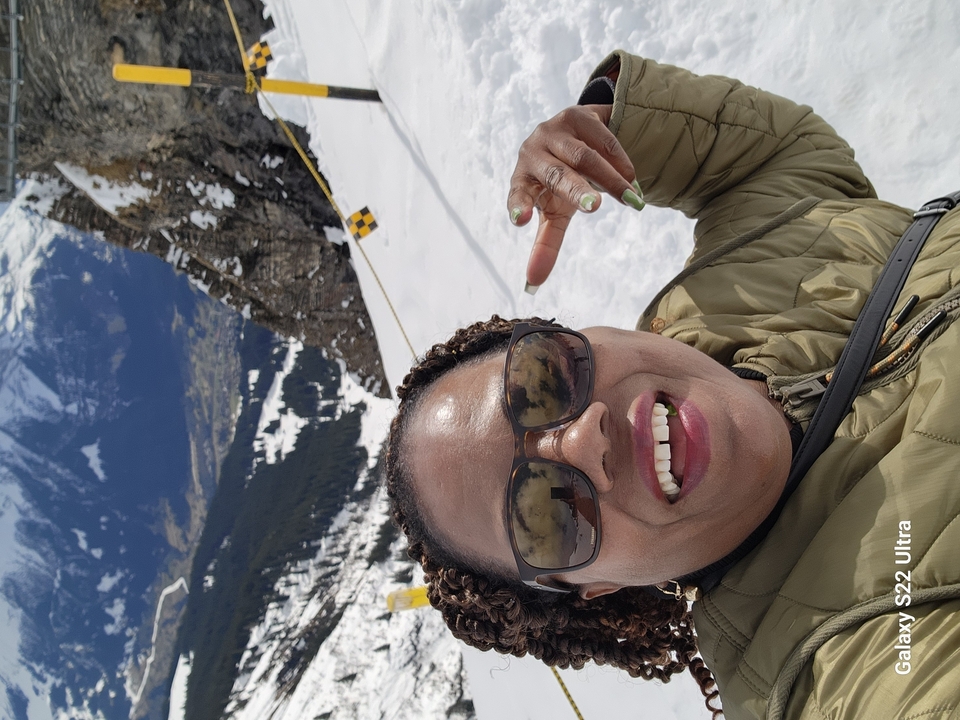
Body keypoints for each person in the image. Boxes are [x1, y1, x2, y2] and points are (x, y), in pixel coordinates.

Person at [385, 50, 960, 720]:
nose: (582, 439)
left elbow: (785, 158)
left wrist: (608, 129)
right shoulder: (834, 670)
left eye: (538, 380)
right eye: (546, 517)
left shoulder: (721, 291)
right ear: (594, 588)